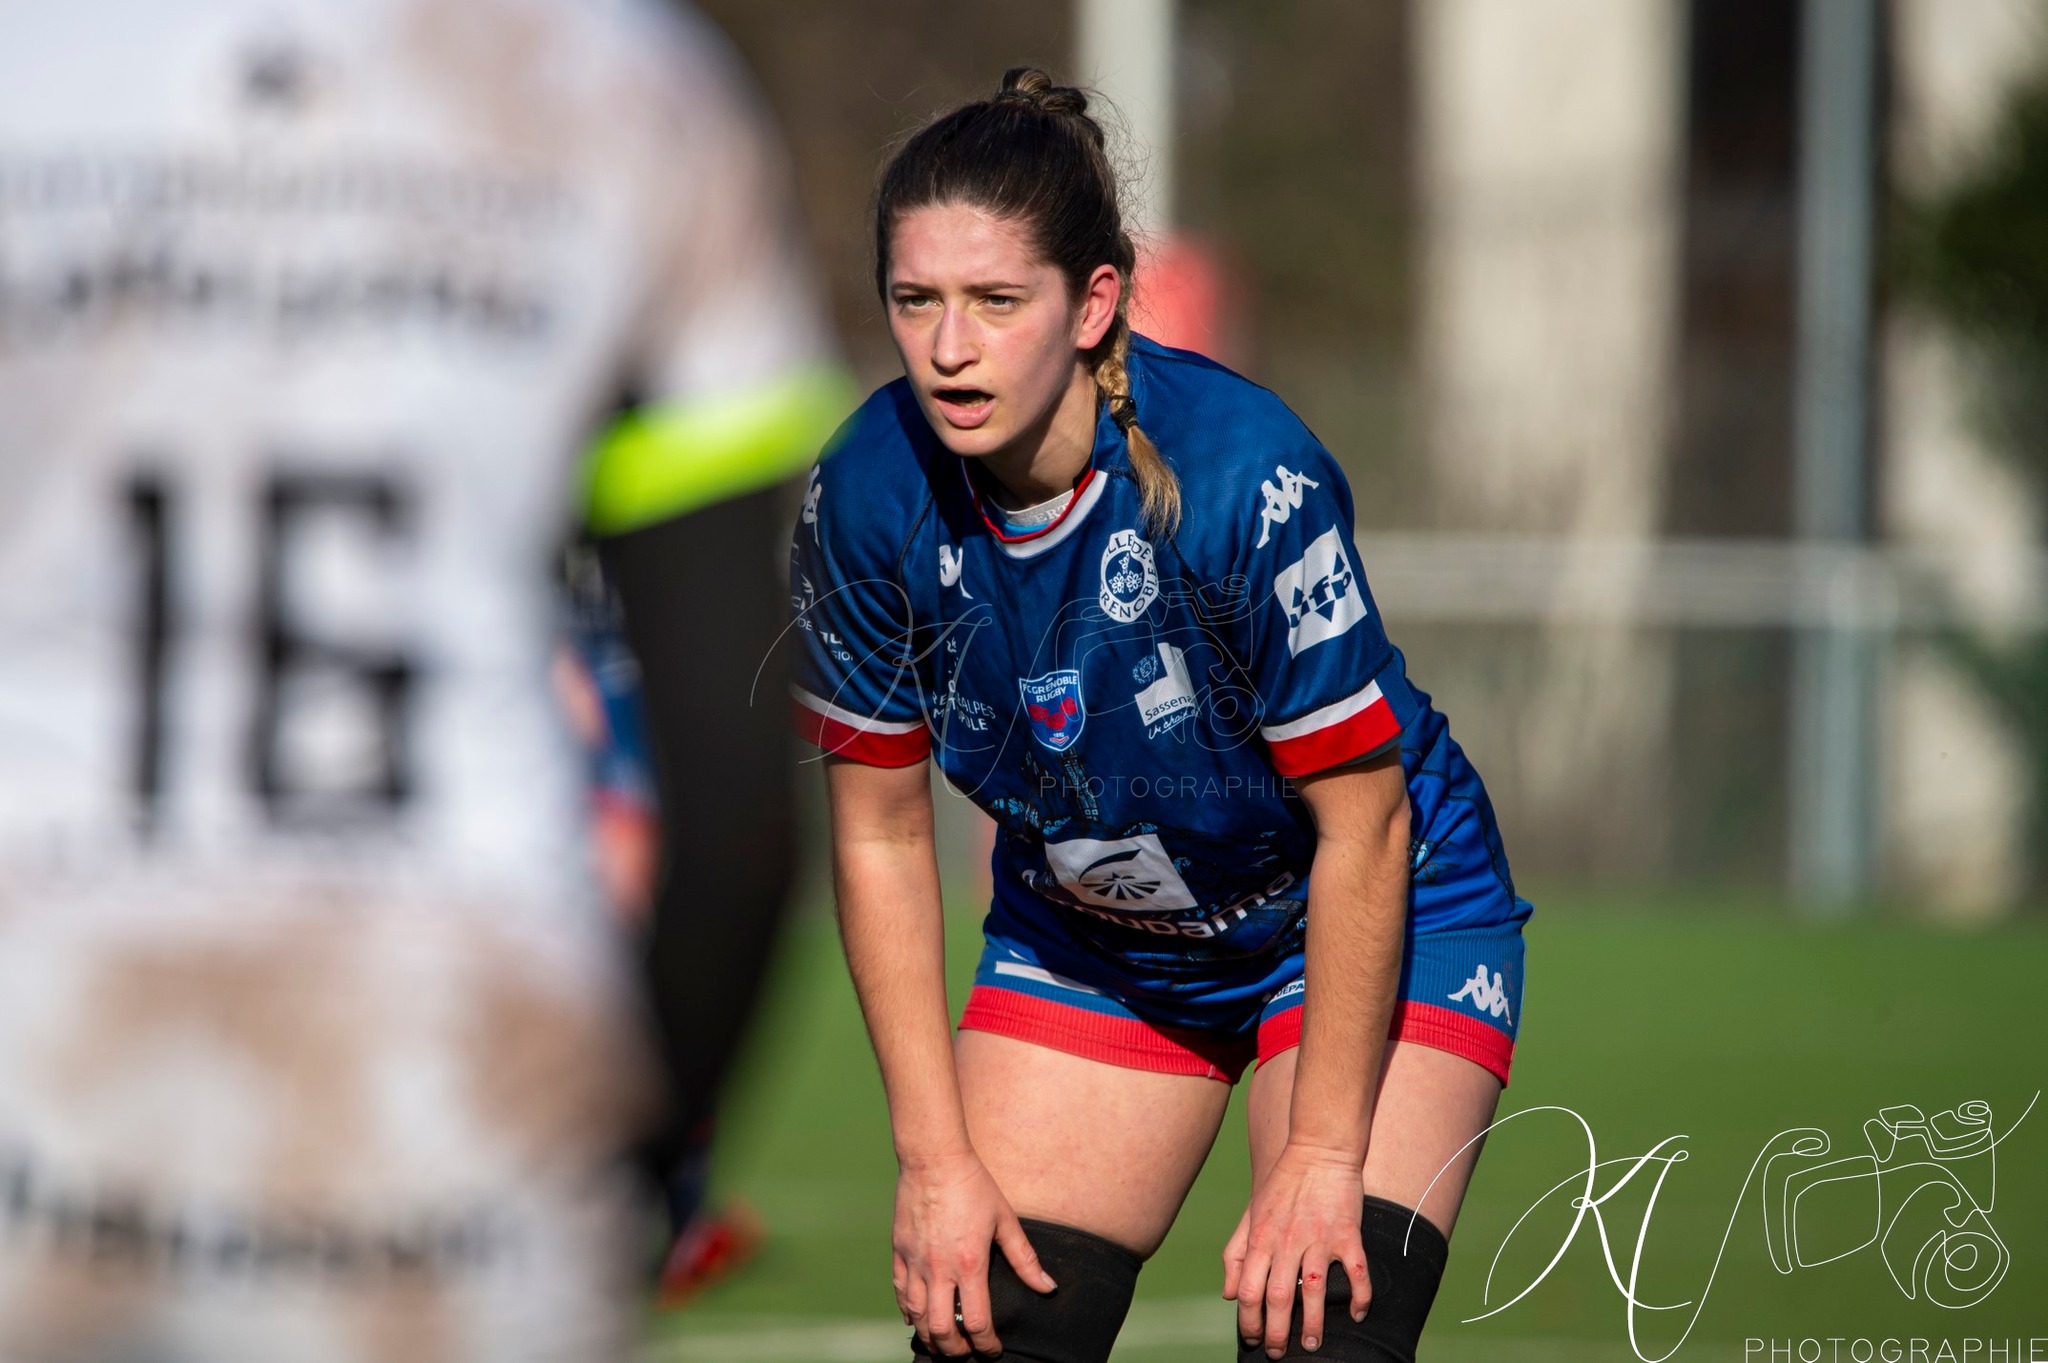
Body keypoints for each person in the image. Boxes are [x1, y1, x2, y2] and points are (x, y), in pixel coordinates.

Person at [0, 0, 840, 1357]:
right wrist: (643, 1172)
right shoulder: (626, 85)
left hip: (32, 1047)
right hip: (456, 1084)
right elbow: (738, 783)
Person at [788, 67, 1531, 1363]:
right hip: (1097, 942)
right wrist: (934, 1155)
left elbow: (1364, 825)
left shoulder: (1242, 472)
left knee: (1320, 1331)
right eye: (916, 302)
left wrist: (1322, 1149)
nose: (949, 347)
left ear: (1093, 304)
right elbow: (881, 835)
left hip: (1349, 911)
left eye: (996, 302)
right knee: (987, 1333)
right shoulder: (864, 493)